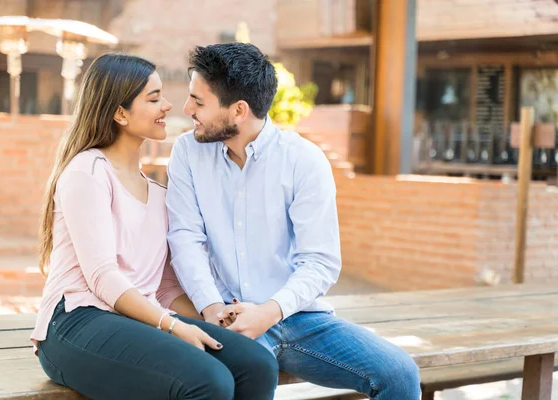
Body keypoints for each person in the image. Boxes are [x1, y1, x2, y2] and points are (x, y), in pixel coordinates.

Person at [166, 43, 421, 399]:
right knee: (243, 380)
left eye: (198, 101)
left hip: (298, 317)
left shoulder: (304, 160)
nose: (187, 109)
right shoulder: (188, 152)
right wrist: (211, 308)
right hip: (224, 316)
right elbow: (184, 237)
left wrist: (270, 312)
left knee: (399, 372)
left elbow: (320, 261)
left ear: (238, 110)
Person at [31, 53, 278, 400]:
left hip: (136, 320)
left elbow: (162, 287)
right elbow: (103, 276)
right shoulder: (87, 173)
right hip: (74, 323)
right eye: (153, 98)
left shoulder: (159, 193)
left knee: (256, 364)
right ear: (120, 113)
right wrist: (173, 326)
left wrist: (214, 317)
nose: (167, 106)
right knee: (208, 381)